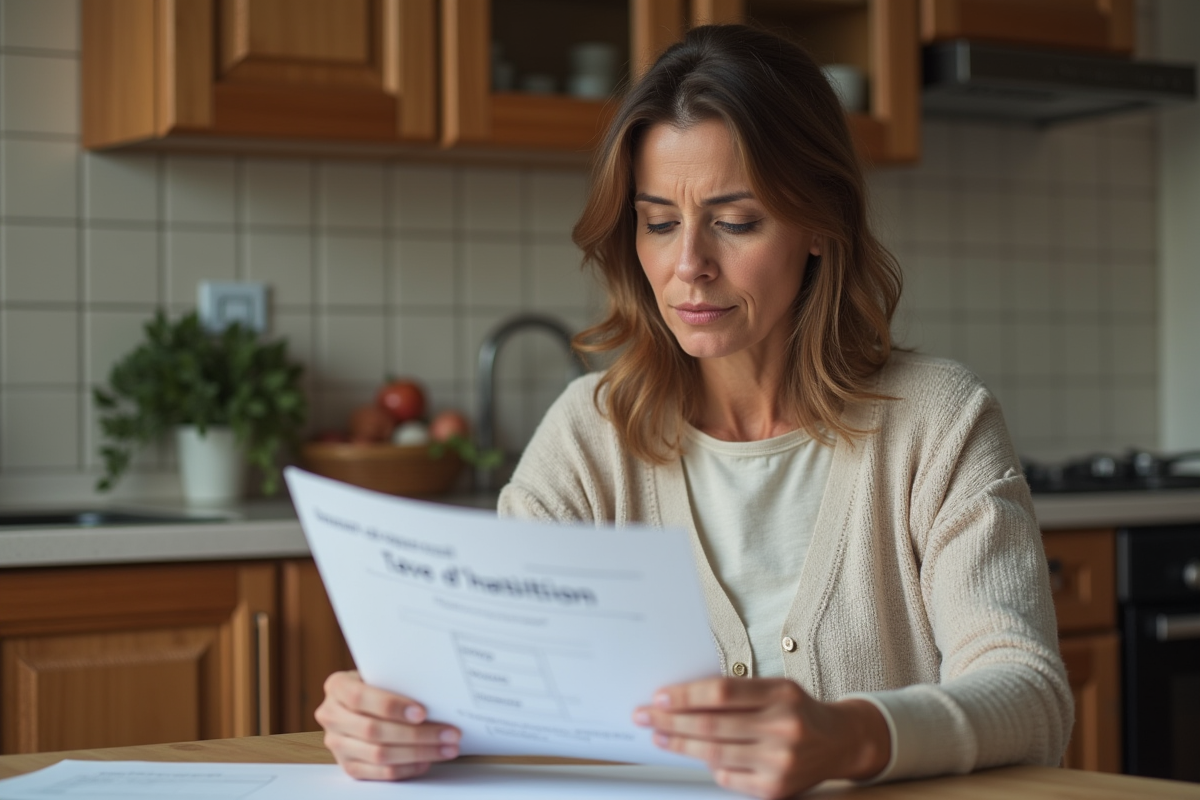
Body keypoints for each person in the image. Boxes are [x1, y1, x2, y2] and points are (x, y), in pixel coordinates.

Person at [316, 24, 1073, 799]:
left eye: (736, 221)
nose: (689, 268)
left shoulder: (937, 422)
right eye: (659, 222)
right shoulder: (590, 435)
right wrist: (396, 717)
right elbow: (491, 681)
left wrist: (850, 736)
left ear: (819, 223)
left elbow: (1030, 696)